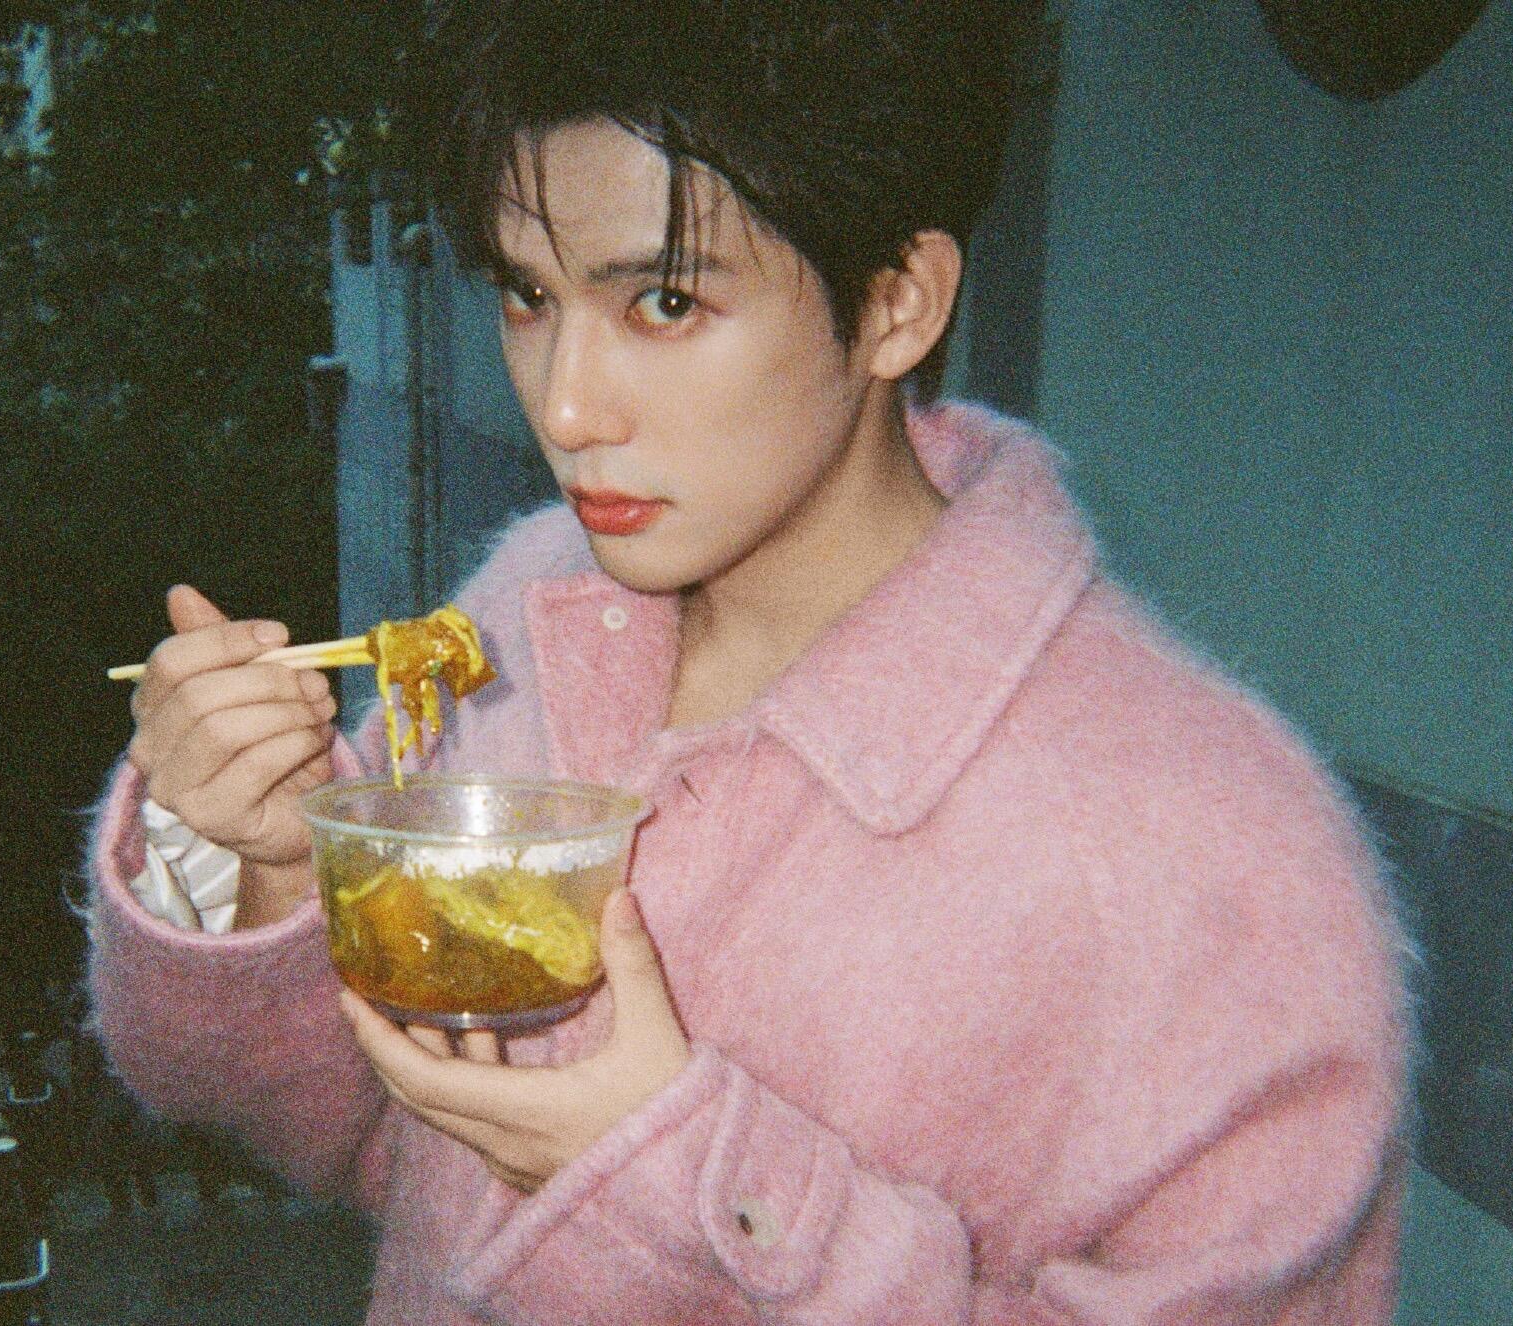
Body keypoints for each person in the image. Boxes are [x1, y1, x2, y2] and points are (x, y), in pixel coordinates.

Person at [82, 2, 1415, 1322]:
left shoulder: (1225, 854)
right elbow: (377, 1138)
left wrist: (696, 1189)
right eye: (528, 296)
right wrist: (263, 861)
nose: (565, 405)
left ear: (896, 303)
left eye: (664, 302)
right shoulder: (521, 622)